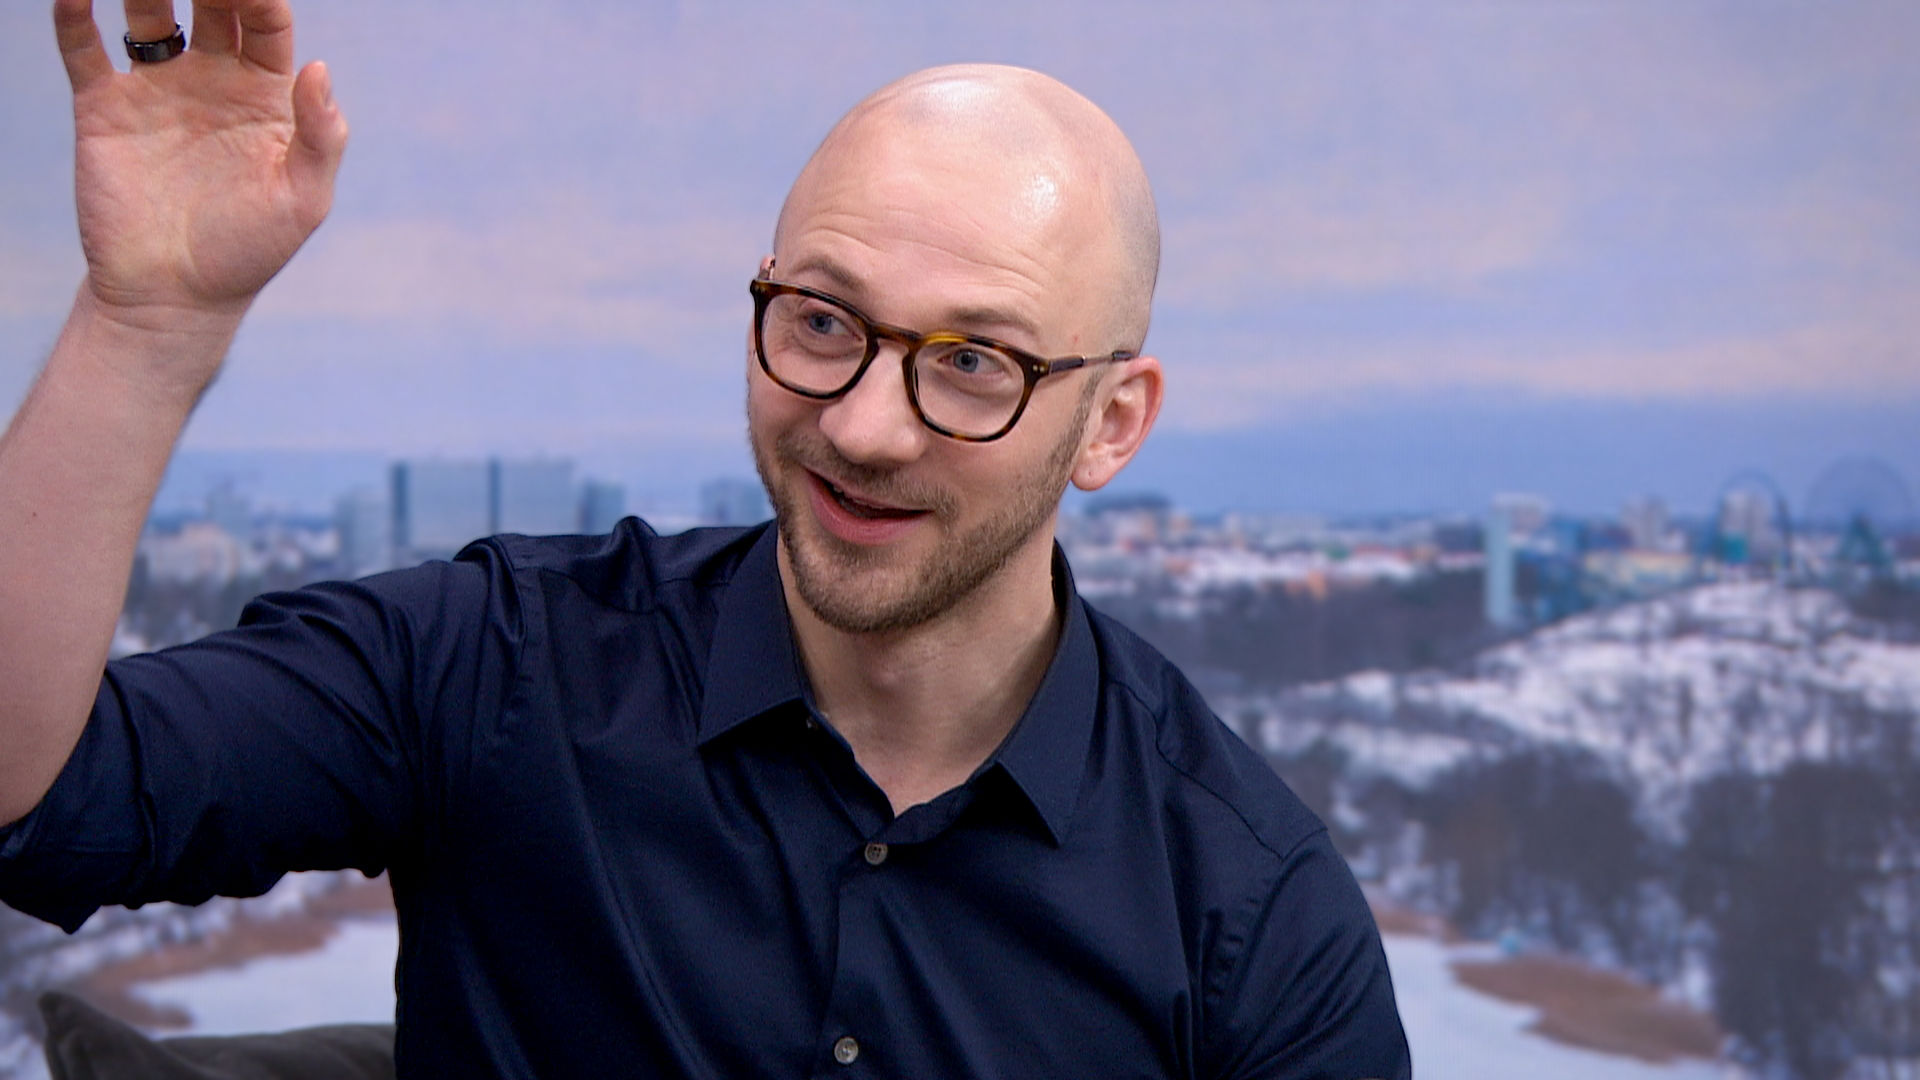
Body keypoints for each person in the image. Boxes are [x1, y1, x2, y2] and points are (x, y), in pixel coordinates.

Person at [0, 0, 1411, 1076]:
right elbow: (35, 799)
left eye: (975, 362)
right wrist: (147, 325)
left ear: (1112, 423)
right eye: (823, 321)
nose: (865, 425)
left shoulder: (1251, 916)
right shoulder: (499, 666)